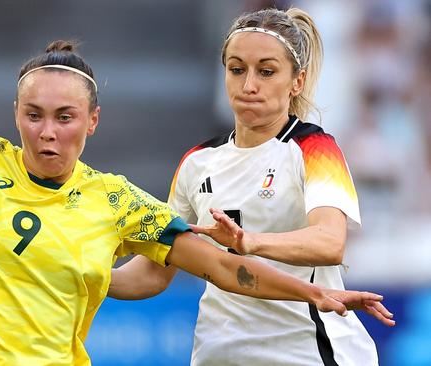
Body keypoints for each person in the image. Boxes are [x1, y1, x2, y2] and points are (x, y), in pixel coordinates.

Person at [0, 3, 393, 365]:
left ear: (93, 120)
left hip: (302, 349)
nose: (46, 132)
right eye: (33, 114)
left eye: (65, 117)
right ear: (15, 112)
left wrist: (313, 290)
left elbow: (225, 263)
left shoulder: (116, 200)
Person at [108, 7, 394, 366]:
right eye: (237, 69)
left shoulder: (313, 148)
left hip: (305, 353)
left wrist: (249, 242)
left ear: (297, 81)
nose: (249, 85)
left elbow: (330, 242)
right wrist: (85, 272)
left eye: (266, 71)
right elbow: (155, 271)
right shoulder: (196, 161)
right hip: (219, 355)